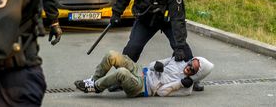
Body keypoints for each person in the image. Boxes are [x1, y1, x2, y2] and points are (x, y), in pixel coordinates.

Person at [110, 0, 204, 91]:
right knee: (133, 47)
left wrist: (179, 46)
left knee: (182, 48)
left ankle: (194, 79)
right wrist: (116, 14)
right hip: (146, 20)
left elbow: (178, 19)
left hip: (167, 21)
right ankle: (120, 78)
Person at [74, 50, 213, 97]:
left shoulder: (186, 88)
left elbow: (161, 93)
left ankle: (96, 87)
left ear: (197, 75)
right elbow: (151, 65)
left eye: (192, 70)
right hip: (141, 71)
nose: (188, 67)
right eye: (190, 63)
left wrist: (179, 84)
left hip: (142, 87)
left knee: (122, 72)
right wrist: (157, 65)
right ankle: (94, 80)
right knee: (112, 55)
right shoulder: (179, 62)